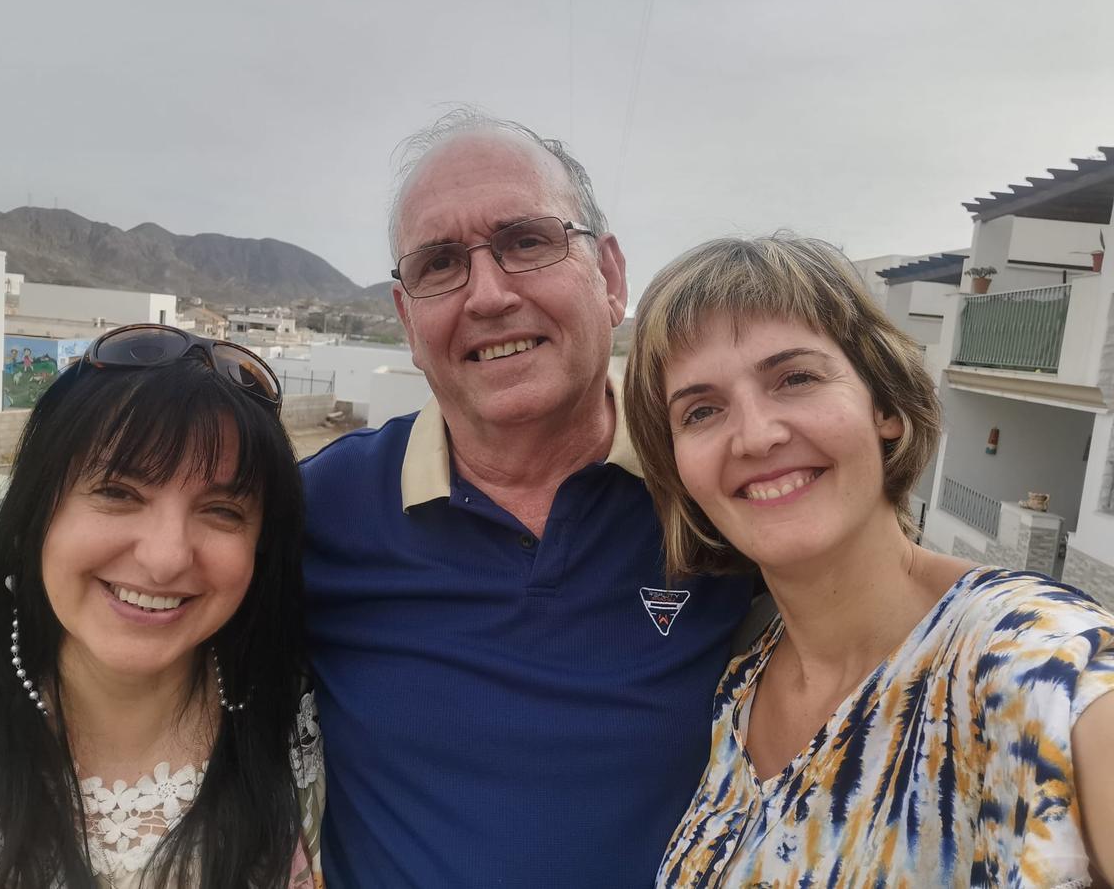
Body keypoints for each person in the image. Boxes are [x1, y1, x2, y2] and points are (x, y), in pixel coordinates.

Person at [300, 109, 753, 887]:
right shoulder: (321, 509)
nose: (487, 294)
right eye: (440, 263)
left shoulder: (714, 490)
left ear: (610, 278)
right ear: (409, 321)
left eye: (526, 241)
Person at [622, 234, 1114, 887]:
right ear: (679, 467)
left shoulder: (1039, 663)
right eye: (702, 411)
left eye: (794, 378)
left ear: (883, 406)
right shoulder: (739, 682)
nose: (757, 434)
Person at [0, 325, 324, 888]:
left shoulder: (301, 731)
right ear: (38, 514)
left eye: (223, 510)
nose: (164, 558)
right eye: (118, 493)